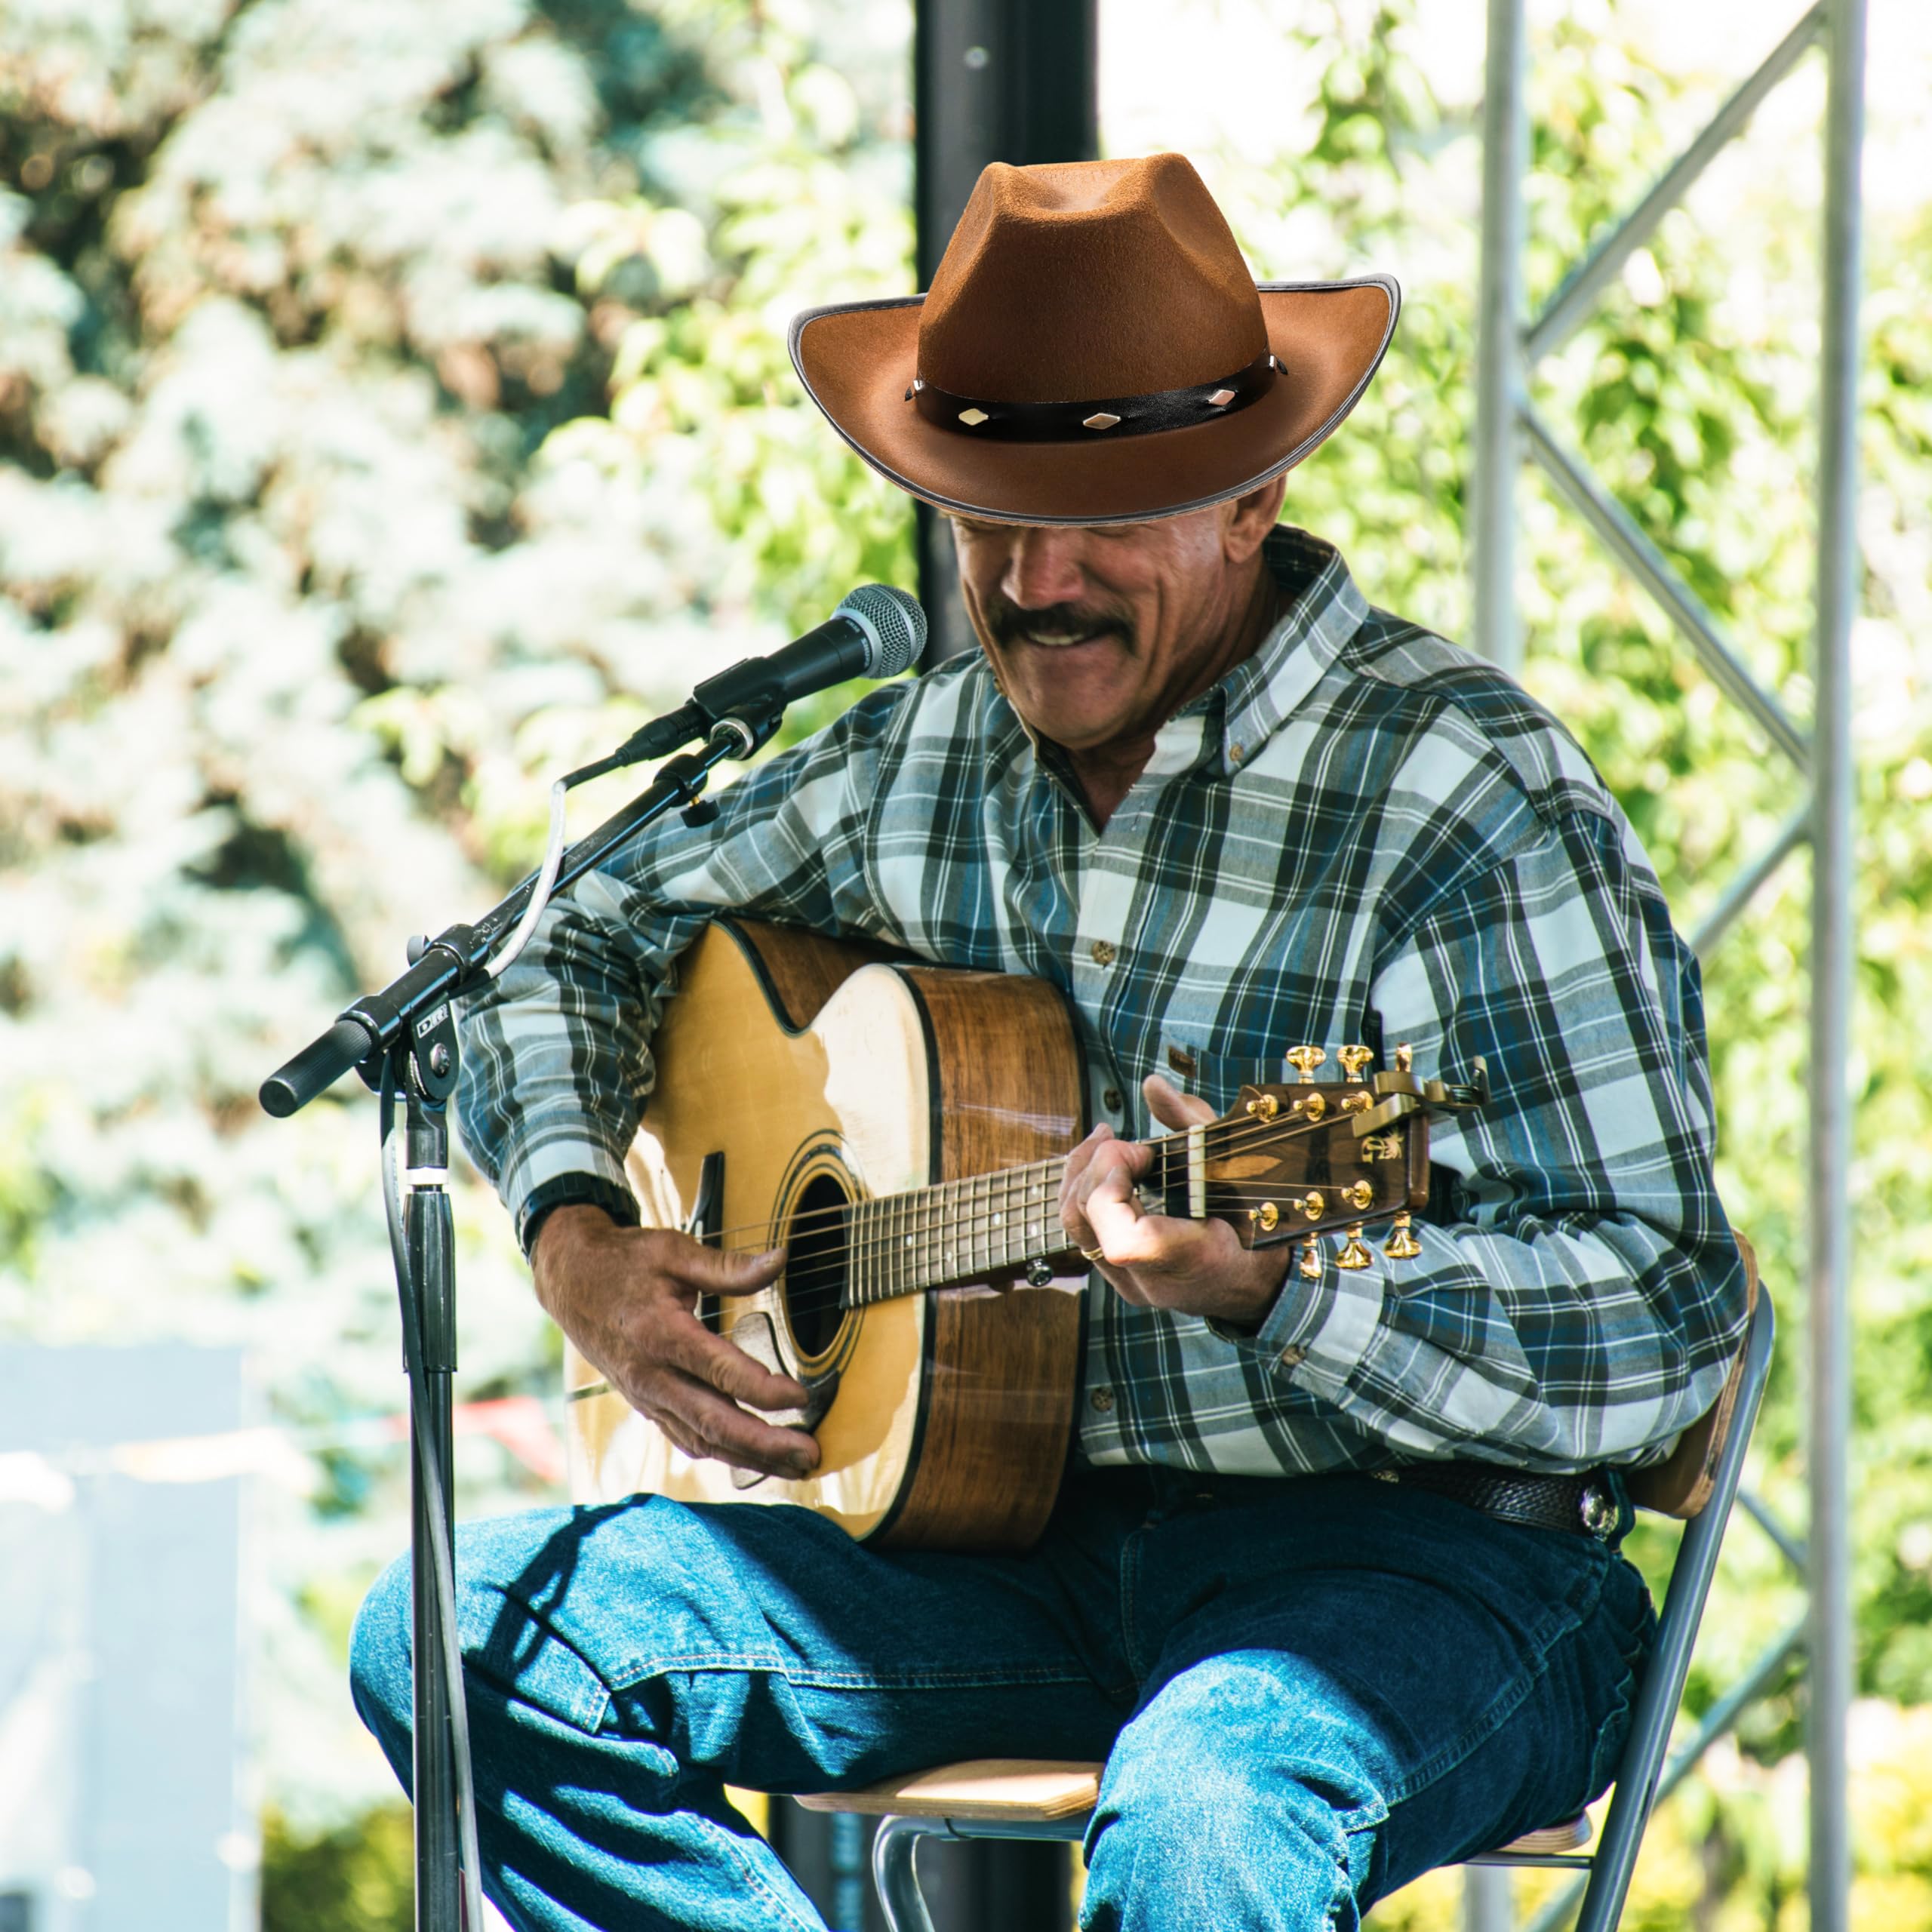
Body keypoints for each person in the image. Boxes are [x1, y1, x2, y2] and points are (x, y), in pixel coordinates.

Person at [350, 152, 1749, 1931]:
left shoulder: (1457, 793)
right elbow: (562, 945)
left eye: (1110, 513)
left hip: (1421, 1564)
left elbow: (1654, 1303)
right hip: (1001, 1558)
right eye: (989, 512)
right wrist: (575, 1231)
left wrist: (1280, 1290)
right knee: (459, 1630)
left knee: (1211, 1798)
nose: (1037, 577)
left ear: (1254, 496)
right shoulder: (913, 756)